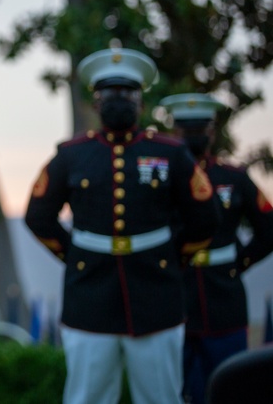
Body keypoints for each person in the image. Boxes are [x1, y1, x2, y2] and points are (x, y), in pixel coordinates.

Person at [25, 47, 220, 404]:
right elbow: (37, 215)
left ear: (141, 102)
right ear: (97, 103)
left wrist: (175, 256)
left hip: (157, 296)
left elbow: (205, 215)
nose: (119, 101)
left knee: (160, 397)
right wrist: (75, 254)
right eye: (110, 94)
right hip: (89, 299)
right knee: (87, 397)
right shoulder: (71, 155)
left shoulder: (170, 153)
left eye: (127, 94)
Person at [158, 93, 273, 403]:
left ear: (211, 133)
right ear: (174, 133)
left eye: (200, 130)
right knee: (173, 391)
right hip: (174, 300)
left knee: (230, 388)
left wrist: (239, 264)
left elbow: (269, 228)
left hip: (223, 300)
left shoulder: (233, 177)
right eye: (186, 131)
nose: (194, 137)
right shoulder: (162, 178)